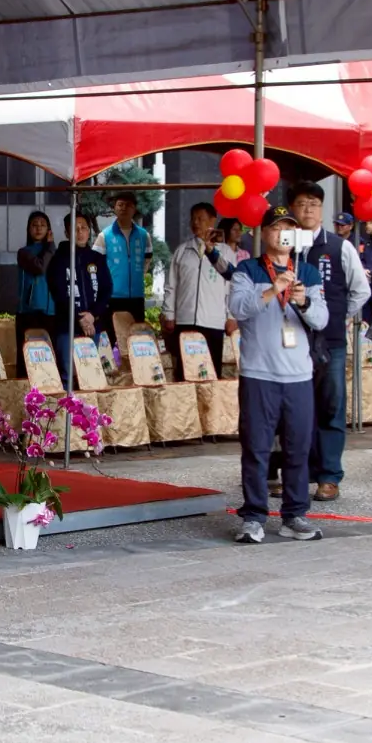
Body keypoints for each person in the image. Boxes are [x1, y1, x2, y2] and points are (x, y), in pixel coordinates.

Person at [229, 205, 327, 544]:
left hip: (298, 375)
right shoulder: (247, 269)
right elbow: (238, 308)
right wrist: (272, 289)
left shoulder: (308, 273)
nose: (282, 234)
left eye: (289, 228)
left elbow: (322, 319)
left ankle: (294, 514)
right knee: (256, 448)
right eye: (276, 227)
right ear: (264, 233)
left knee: (298, 448)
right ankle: (254, 516)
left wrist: (303, 301)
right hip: (259, 374)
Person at [293, 182, 369, 501]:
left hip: (331, 340)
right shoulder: (286, 245)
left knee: (331, 405)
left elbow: (361, 291)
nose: (307, 209)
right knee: (297, 408)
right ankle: (300, 472)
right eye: (301, 204)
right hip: (292, 340)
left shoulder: (339, 247)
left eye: (313, 203)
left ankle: (329, 475)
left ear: (322, 209)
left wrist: (336, 316)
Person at [162, 201, 232, 382]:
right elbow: (171, 285)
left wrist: (231, 316)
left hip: (213, 321)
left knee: (211, 372)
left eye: (200, 218)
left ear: (213, 220)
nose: (195, 223)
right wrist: (169, 313)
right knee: (185, 371)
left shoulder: (225, 252)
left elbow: (232, 287)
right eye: (193, 219)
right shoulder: (182, 251)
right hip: (185, 320)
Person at [50, 212, 109, 389]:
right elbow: (59, 294)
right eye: (75, 228)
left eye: (84, 227)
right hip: (67, 327)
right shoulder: (58, 260)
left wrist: (92, 315)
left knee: (90, 374)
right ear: (67, 233)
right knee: (68, 375)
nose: (80, 231)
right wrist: (79, 318)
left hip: (92, 326)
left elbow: (106, 290)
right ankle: (67, 407)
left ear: (89, 231)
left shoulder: (97, 258)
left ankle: (89, 407)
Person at [14, 210, 58, 379]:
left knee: (49, 356)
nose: (39, 228)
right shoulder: (24, 252)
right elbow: (40, 267)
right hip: (28, 311)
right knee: (27, 356)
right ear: (28, 229)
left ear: (48, 229)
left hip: (51, 311)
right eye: (34, 225)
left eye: (42, 225)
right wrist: (50, 247)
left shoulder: (54, 252)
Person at [99, 191, 150, 324]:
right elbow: (97, 265)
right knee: (112, 333)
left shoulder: (144, 235)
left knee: (136, 333)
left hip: (137, 297)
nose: (124, 208)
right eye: (120, 205)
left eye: (128, 205)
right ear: (114, 208)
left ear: (134, 209)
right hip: (112, 297)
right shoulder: (104, 235)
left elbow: (147, 259)